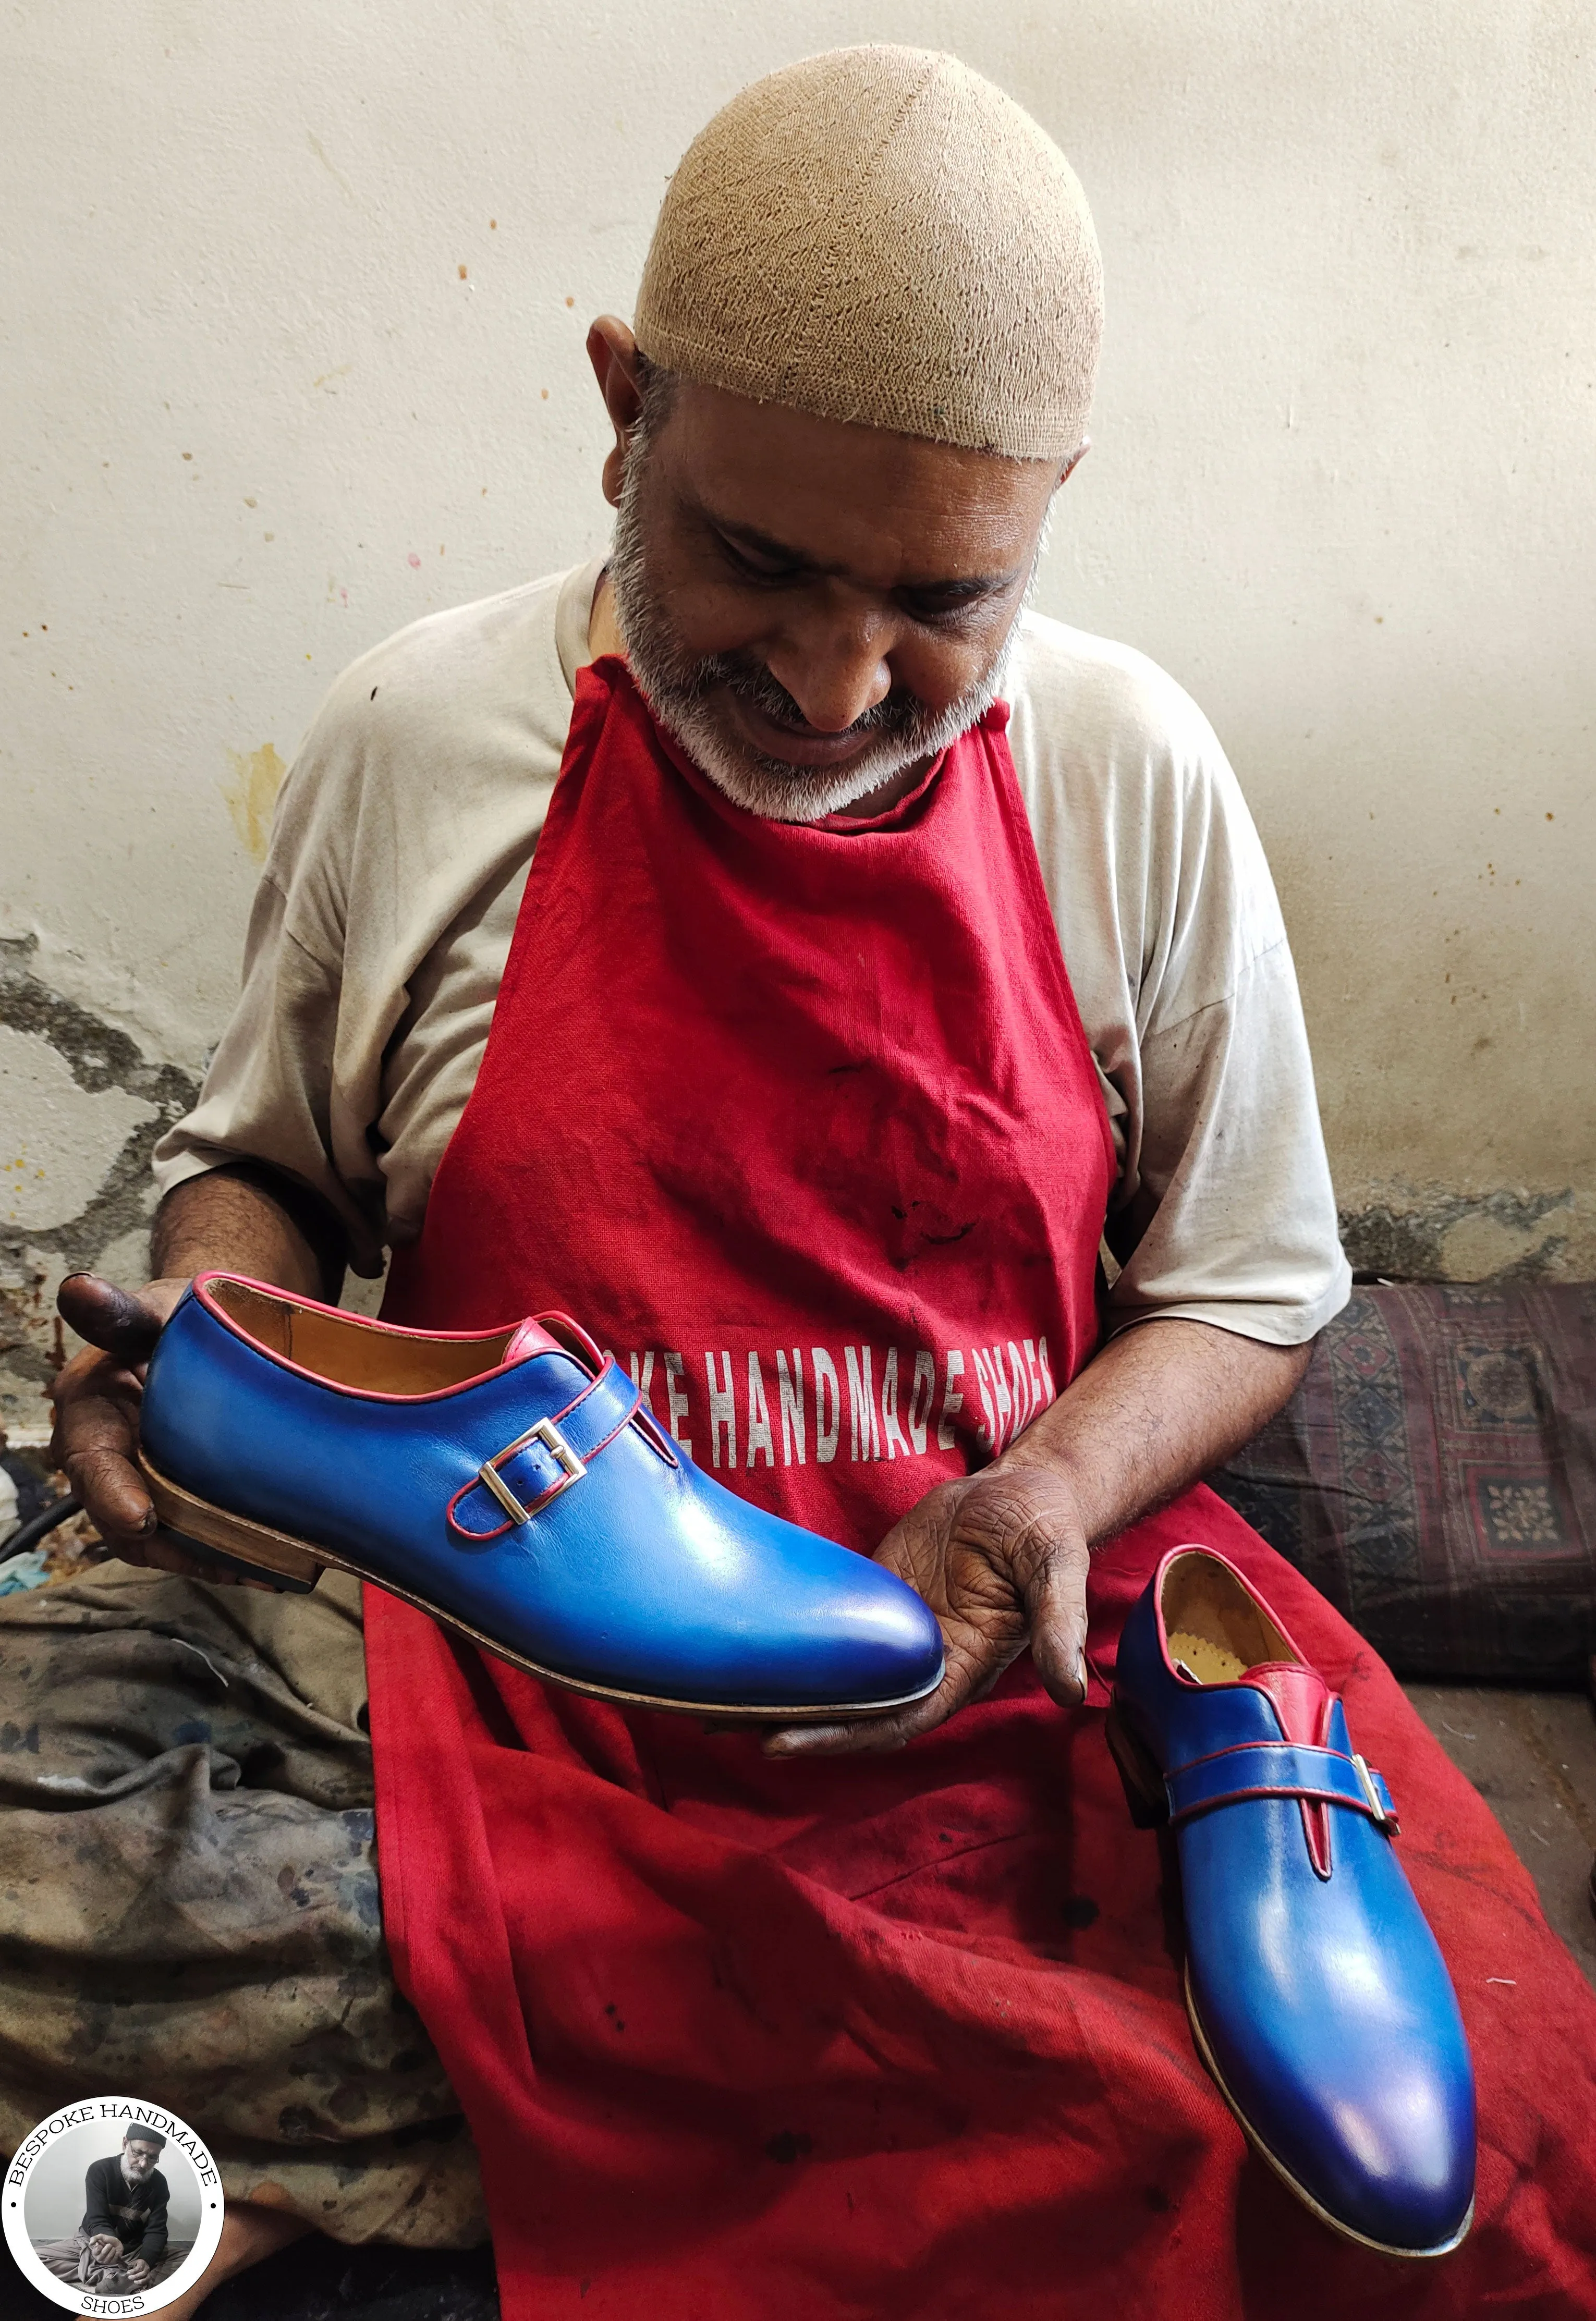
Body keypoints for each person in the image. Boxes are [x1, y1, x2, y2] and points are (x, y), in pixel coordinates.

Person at [10, 43, 1596, 2320]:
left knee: (1481, 2129)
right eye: (756, 561)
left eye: (944, 598)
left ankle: (492, 2113)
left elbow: (1249, 1289)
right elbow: (260, 1162)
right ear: (623, 404)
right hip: (501, 1660)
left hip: (993, 1646)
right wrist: (206, 1337)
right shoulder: (417, 736)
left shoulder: (1130, 767)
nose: (843, 680)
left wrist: (1054, 1482)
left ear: (1049, 509)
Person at [34, 2123, 186, 2295]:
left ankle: (111, 2276)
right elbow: (97, 2219)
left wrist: (146, 2260)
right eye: (138, 2153)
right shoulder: (100, 2170)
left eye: (153, 2158)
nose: (144, 2164)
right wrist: (107, 2242)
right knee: (31, 2260)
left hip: (134, 2250)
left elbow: (157, 2231)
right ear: (125, 2143)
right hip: (93, 2243)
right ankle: (114, 2278)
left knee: (193, 2262)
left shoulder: (159, 2183)